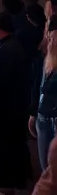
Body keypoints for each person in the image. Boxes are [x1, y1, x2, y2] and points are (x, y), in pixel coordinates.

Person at [0, 11, 34, 195]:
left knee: (8, 148)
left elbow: (0, 83)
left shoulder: (6, 50)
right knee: (15, 147)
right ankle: (17, 187)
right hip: (15, 107)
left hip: (7, 108)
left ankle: (9, 189)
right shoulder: (13, 47)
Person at [31, 19, 57, 173]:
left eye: (53, 38)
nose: (50, 40)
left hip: (54, 115)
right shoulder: (46, 60)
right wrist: (33, 112)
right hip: (43, 114)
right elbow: (39, 87)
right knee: (45, 168)